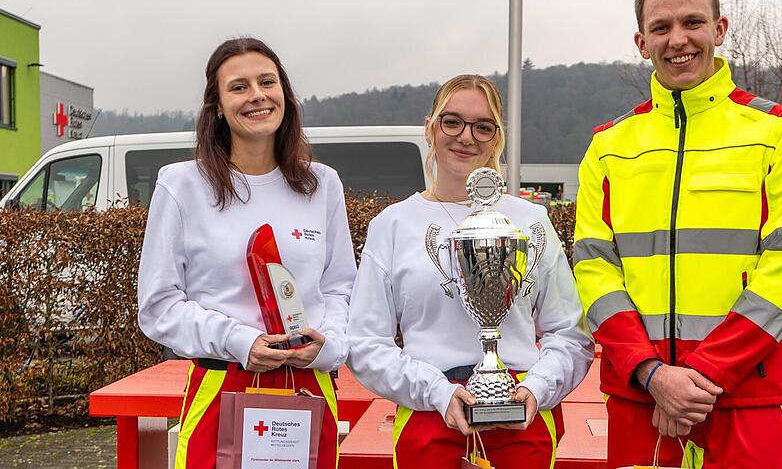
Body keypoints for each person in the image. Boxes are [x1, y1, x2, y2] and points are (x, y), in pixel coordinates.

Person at [573, 0, 782, 467]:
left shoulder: (779, 133)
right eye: (661, 27)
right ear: (642, 42)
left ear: (719, 29)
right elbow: (593, 270)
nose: (678, 39)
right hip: (642, 395)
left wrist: (700, 376)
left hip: (747, 394)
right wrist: (653, 375)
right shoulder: (608, 147)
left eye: (692, 22)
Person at [347, 74, 594, 469]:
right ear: (429, 128)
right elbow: (364, 343)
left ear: (497, 139)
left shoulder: (530, 221)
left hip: (521, 421)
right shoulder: (392, 225)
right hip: (429, 419)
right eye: (452, 122)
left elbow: (570, 333)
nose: (466, 137)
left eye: (483, 127)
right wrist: (436, 391)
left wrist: (537, 387)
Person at [137, 37, 356, 469]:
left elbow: (340, 289)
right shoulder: (182, 185)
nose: (257, 95)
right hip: (222, 386)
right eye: (239, 87)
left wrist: (327, 345)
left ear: (284, 95)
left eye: (267, 82)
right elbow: (158, 306)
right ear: (217, 106)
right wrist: (240, 341)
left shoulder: (323, 184)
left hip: (308, 386)